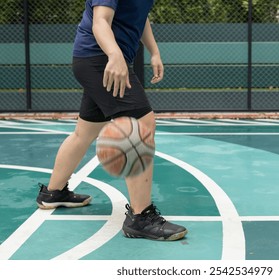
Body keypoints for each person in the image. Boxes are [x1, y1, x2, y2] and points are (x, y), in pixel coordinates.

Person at [35, 0, 188, 241]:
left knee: (84, 132)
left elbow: (141, 16)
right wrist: (114, 54)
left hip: (100, 59)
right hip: (100, 59)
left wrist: (154, 51)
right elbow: (101, 21)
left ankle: (53, 193)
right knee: (141, 126)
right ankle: (140, 217)